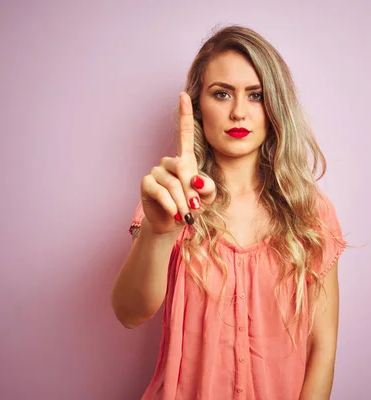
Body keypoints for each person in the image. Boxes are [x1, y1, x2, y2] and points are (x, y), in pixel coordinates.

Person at [111, 25, 347, 400]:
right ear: (199, 106)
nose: (238, 112)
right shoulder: (170, 200)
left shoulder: (311, 212)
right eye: (222, 94)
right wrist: (159, 234)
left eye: (255, 95)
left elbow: (323, 348)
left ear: (275, 107)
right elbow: (129, 313)